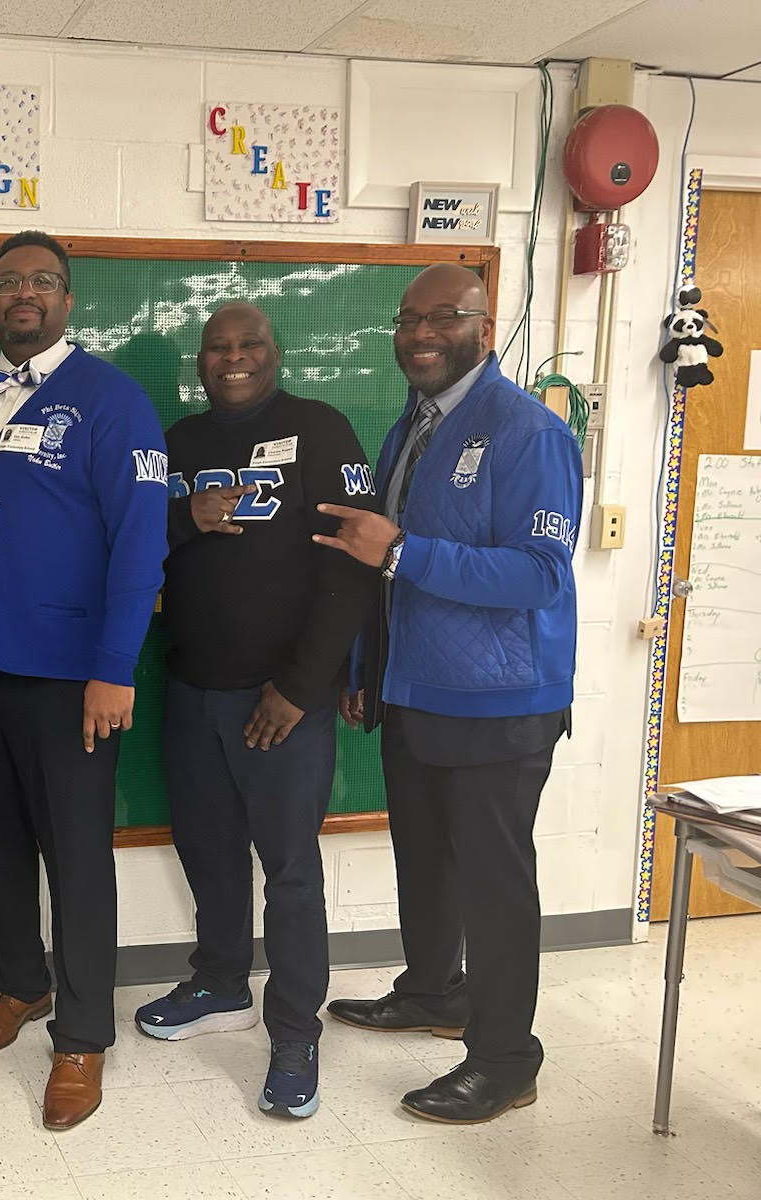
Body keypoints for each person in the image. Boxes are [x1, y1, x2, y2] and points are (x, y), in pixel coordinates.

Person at [315, 263, 582, 1124]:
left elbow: (539, 574)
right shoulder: (413, 427)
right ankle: (435, 991)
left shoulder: (527, 431)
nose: (420, 333)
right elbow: (375, 561)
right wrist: (367, 667)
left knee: (494, 885)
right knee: (423, 861)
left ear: (482, 323)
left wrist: (404, 553)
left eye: (441, 317)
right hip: (414, 691)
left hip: (501, 703)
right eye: (407, 319)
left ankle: (506, 1060)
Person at [0, 230, 169, 1131]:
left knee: (75, 856)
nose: (22, 293)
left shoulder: (112, 401)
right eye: (6, 282)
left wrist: (114, 670)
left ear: (68, 300)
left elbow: (143, 543)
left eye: (41, 281)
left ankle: (84, 1035)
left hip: (72, 680)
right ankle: (21, 984)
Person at [135, 302, 377, 1119]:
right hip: (192, 692)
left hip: (282, 700)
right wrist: (182, 516)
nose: (233, 358)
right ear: (201, 362)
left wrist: (300, 687)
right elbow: (136, 537)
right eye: (218, 348)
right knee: (206, 852)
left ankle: (296, 1032)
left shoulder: (322, 428)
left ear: (277, 353)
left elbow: (353, 570)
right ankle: (219, 982)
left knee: (291, 872)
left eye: (249, 345)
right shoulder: (180, 442)